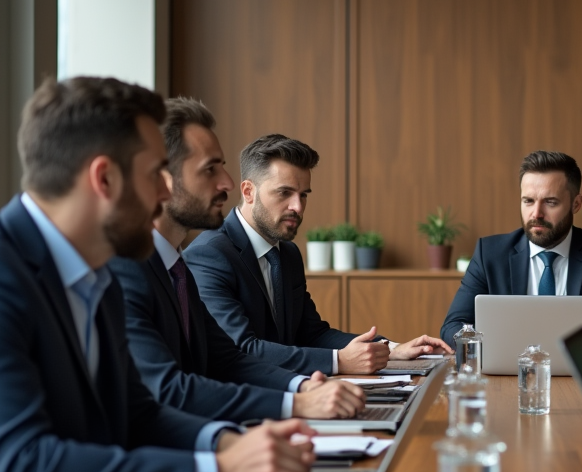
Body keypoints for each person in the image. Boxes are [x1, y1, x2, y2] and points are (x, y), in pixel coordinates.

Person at [0, 77, 316, 472]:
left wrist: (230, 442)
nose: (165, 192)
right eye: (156, 172)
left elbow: (139, 412)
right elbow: (18, 468)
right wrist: (216, 471)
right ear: (103, 178)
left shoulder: (99, 270)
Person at [109, 98, 366, 422]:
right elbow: (168, 390)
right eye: (210, 169)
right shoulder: (127, 268)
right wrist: (296, 405)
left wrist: (302, 387)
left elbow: (227, 359)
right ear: (161, 179)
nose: (227, 183)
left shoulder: (175, 268)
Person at [185, 134, 451, 374]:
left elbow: (312, 333)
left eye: (303, 195)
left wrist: (391, 348)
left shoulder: (287, 253)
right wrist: (340, 361)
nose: (297, 207)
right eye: (285, 193)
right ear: (248, 191)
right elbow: (242, 349)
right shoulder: (209, 255)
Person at [440, 150, 582, 358]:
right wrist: (487, 345)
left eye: (550, 202)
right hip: (505, 375)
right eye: (528, 201)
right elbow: (453, 325)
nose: (536, 213)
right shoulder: (490, 254)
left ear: (576, 204)